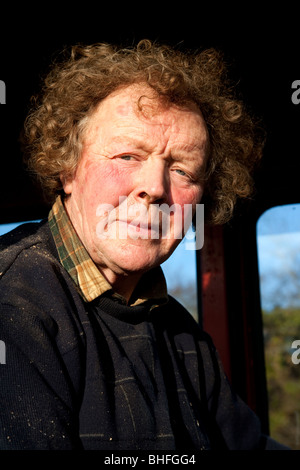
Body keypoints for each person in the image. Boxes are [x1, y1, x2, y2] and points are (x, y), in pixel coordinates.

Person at [0, 39, 287, 450]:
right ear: (68, 167)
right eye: (127, 156)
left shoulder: (177, 328)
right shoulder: (14, 307)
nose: (155, 188)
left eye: (183, 170)